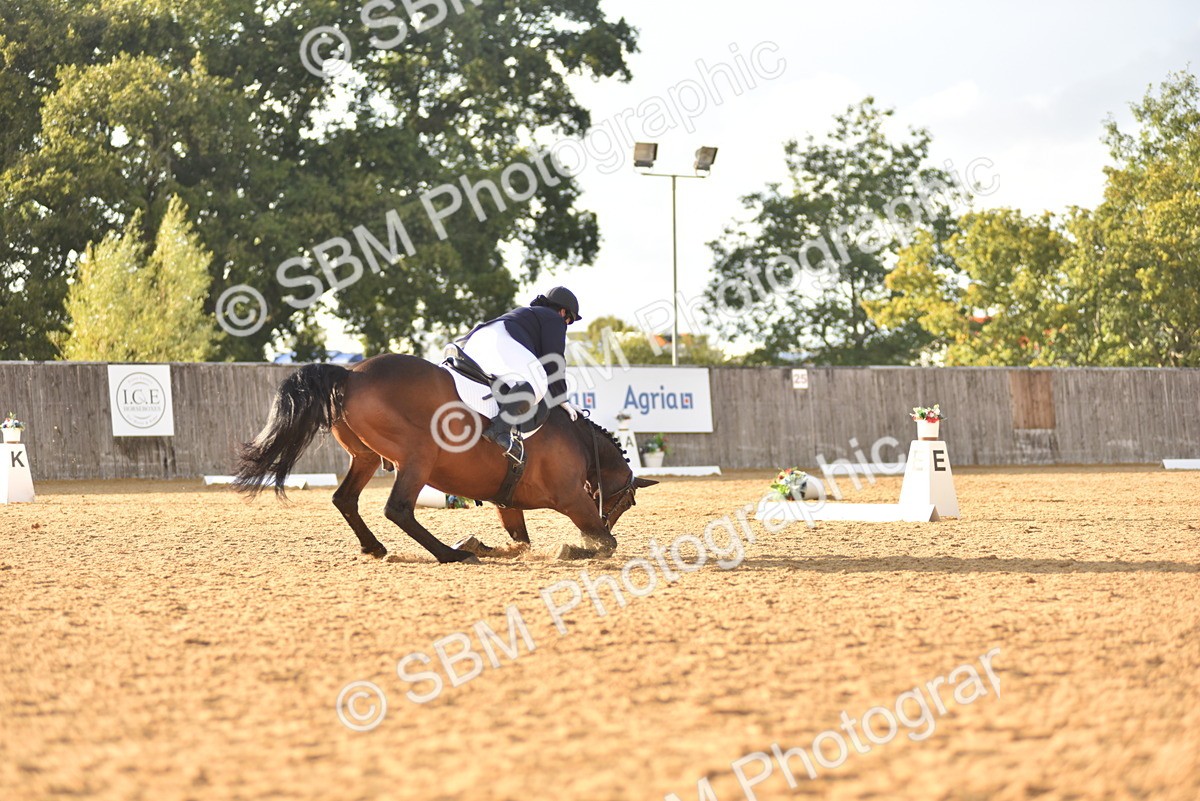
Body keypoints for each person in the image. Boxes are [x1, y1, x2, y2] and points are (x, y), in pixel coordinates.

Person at [457, 286, 585, 455]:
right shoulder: (554, 318)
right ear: (563, 312)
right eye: (569, 320)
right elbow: (554, 358)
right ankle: (499, 429)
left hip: (475, 341)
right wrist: (561, 397)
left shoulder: (531, 315)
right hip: (500, 340)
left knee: (517, 382)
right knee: (537, 383)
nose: (567, 324)